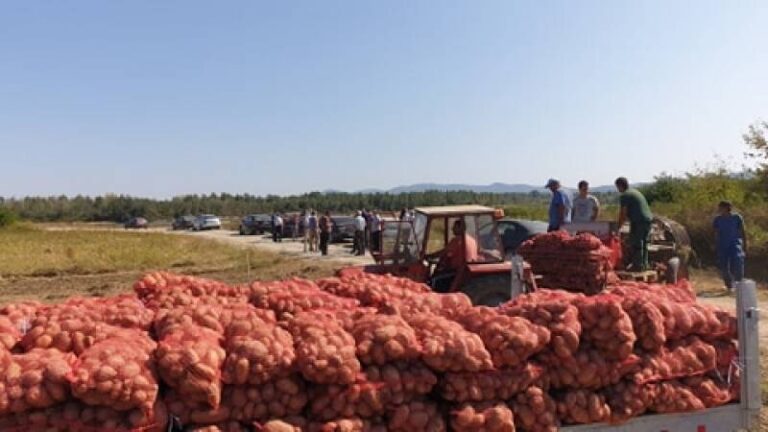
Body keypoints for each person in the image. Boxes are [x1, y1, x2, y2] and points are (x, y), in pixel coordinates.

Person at [615, 177, 653, 271]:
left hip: (638, 220)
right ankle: (644, 264)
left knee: (636, 242)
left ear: (620, 186)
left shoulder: (625, 195)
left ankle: (637, 265)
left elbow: (623, 213)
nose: (618, 190)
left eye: (617, 187)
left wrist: (618, 227)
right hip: (647, 220)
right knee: (644, 243)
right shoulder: (635, 192)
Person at [431, 220, 479, 291]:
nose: (452, 229)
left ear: (461, 228)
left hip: (458, 271)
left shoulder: (458, 240)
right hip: (466, 269)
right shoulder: (472, 240)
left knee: (435, 280)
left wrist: (428, 256)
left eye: (455, 227)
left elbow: (443, 252)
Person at [713, 201, 747, 291]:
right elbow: (716, 233)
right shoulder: (717, 219)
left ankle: (739, 284)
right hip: (722, 244)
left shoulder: (737, 218)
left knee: (738, 263)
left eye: (721, 207)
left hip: (735, 244)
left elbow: (742, 231)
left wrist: (745, 244)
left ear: (727, 208)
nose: (719, 209)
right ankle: (729, 286)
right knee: (724, 266)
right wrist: (716, 245)